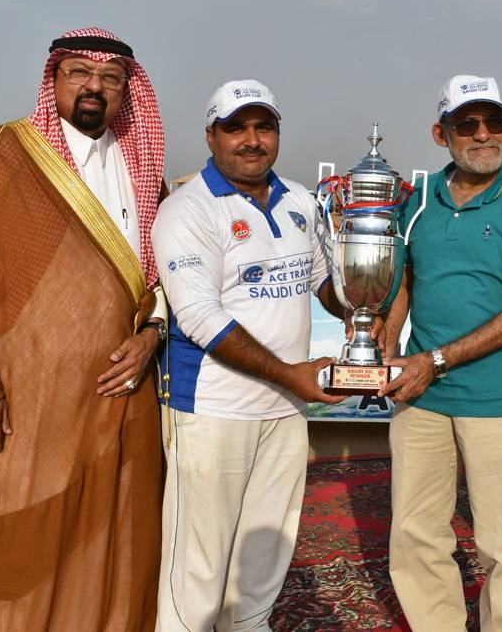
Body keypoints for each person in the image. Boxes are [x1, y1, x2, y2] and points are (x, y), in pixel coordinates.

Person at [0, 27, 167, 631]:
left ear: (126, 92)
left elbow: (162, 277)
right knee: (17, 540)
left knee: (121, 544)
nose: (95, 88)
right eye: (79, 73)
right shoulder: (0, 153)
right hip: (26, 404)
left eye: (110, 79)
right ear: (53, 79)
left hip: (122, 399)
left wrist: (153, 335)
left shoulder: (142, 169)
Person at [151, 79, 348, 631]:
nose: (251, 140)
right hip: (213, 409)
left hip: (285, 410)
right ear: (211, 137)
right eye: (236, 128)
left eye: (263, 127)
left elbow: (322, 285)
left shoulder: (299, 202)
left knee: (264, 562)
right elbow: (200, 319)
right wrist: (291, 375)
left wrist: (368, 297)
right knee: (199, 570)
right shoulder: (188, 209)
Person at [380, 75, 502, 631]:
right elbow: (402, 282)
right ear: (442, 133)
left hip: (497, 397)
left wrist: (433, 362)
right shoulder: (415, 201)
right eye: (467, 123)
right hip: (421, 399)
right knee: (415, 533)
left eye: (494, 121)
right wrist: (380, 343)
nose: (484, 134)